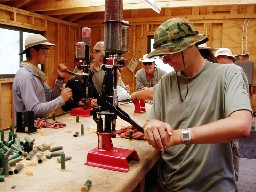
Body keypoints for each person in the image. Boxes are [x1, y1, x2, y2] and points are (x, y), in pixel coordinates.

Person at [143, 18, 252, 191]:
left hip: (211, 187)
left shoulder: (229, 74)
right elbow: (152, 121)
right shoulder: (166, 82)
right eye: (162, 55)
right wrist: (152, 125)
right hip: (170, 185)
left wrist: (181, 136)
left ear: (189, 45)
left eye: (170, 53)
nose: (165, 60)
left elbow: (242, 125)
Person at [13, 34, 72, 120]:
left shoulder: (35, 73)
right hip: (26, 130)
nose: (47, 55)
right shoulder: (26, 76)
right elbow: (33, 109)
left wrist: (60, 79)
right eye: (44, 50)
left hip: (37, 126)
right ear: (33, 51)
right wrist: (61, 99)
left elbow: (49, 97)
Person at [131, 43, 217, 101]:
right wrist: (134, 95)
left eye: (172, 54)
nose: (166, 61)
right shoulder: (174, 77)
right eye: (145, 64)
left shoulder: (219, 77)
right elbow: (154, 92)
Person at [215, 47, 240, 182]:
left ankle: (233, 178)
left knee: (233, 149)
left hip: (231, 118)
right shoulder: (217, 74)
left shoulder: (236, 73)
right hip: (220, 118)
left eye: (224, 58)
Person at [90, 41, 106, 107]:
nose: (103, 59)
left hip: (100, 105)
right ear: (94, 53)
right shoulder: (84, 68)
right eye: (101, 56)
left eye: (104, 57)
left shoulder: (105, 70)